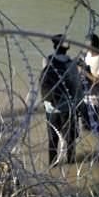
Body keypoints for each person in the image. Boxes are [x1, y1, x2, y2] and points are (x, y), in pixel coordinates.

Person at [40, 35, 81, 167]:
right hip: (67, 107)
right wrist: (79, 106)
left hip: (50, 107)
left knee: (52, 138)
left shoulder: (47, 60)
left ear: (54, 46)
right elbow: (76, 86)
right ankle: (71, 162)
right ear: (67, 48)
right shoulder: (71, 64)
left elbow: (43, 82)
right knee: (70, 138)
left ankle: (52, 165)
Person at [81, 33, 99, 135]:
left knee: (96, 128)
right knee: (85, 127)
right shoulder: (87, 55)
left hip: (95, 99)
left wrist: (84, 72)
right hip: (84, 96)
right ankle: (90, 145)